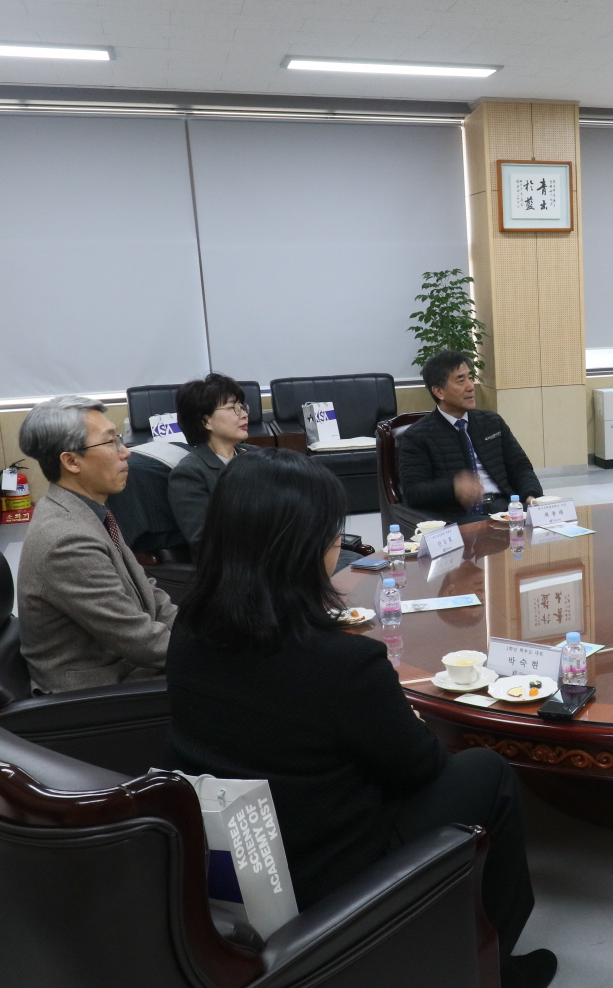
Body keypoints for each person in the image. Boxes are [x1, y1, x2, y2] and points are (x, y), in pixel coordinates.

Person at [163, 448, 555, 988]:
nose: (337, 545)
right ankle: (490, 965)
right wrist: (412, 727)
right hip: (329, 868)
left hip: (235, 848)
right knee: (487, 772)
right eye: (332, 534)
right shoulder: (339, 662)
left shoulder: (191, 625)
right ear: (300, 547)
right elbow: (419, 769)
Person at [17, 395, 177, 694]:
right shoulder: (67, 540)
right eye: (110, 443)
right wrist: (220, 654)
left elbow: (150, 596)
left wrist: (207, 633)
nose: (125, 452)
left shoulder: (87, 509)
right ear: (71, 461)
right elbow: (141, 641)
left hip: (129, 666)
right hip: (98, 693)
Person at [397, 350, 542, 524]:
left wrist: (530, 496)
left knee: (558, 522)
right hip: (462, 517)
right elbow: (413, 492)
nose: (470, 386)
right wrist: (454, 487)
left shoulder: (491, 422)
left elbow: (520, 466)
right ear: (439, 392)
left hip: (505, 507)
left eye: (470, 377)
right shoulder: (418, 436)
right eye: (461, 380)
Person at [167, 372, 253, 551]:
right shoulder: (189, 474)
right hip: (232, 568)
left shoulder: (255, 456)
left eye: (242, 407)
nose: (243, 414)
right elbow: (205, 542)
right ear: (206, 421)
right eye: (233, 408)